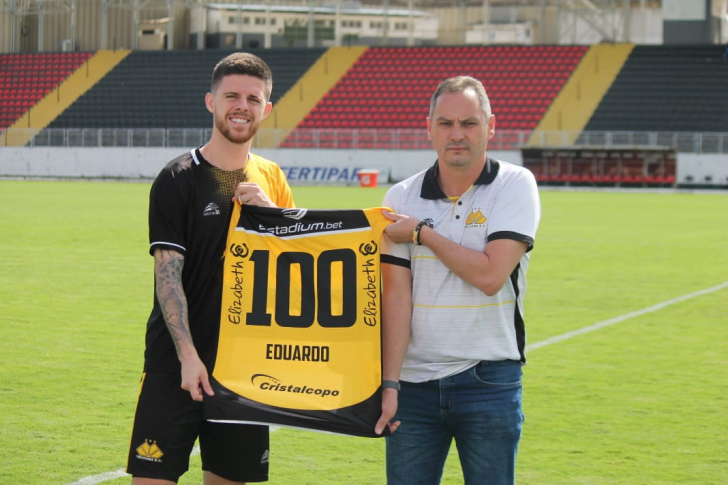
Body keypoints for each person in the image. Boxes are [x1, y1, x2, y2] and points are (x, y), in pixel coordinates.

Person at [126, 52, 295, 484]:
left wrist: (273, 214)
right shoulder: (178, 177)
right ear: (211, 102)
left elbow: (292, 269)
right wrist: (188, 357)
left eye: (253, 98)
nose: (242, 106)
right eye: (231, 96)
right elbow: (168, 276)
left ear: (267, 109)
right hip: (176, 366)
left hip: (244, 368)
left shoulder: (273, 178)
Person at [375, 76, 541, 485]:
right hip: (413, 387)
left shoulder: (515, 185)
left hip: (488, 381)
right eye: (446, 123)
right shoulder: (400, 197)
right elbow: (396, 297)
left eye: (469, 123)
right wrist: (390, 384)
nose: (457, 134)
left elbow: (489, 275)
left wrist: (422, 233)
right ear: (429, 127)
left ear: (491, 126)